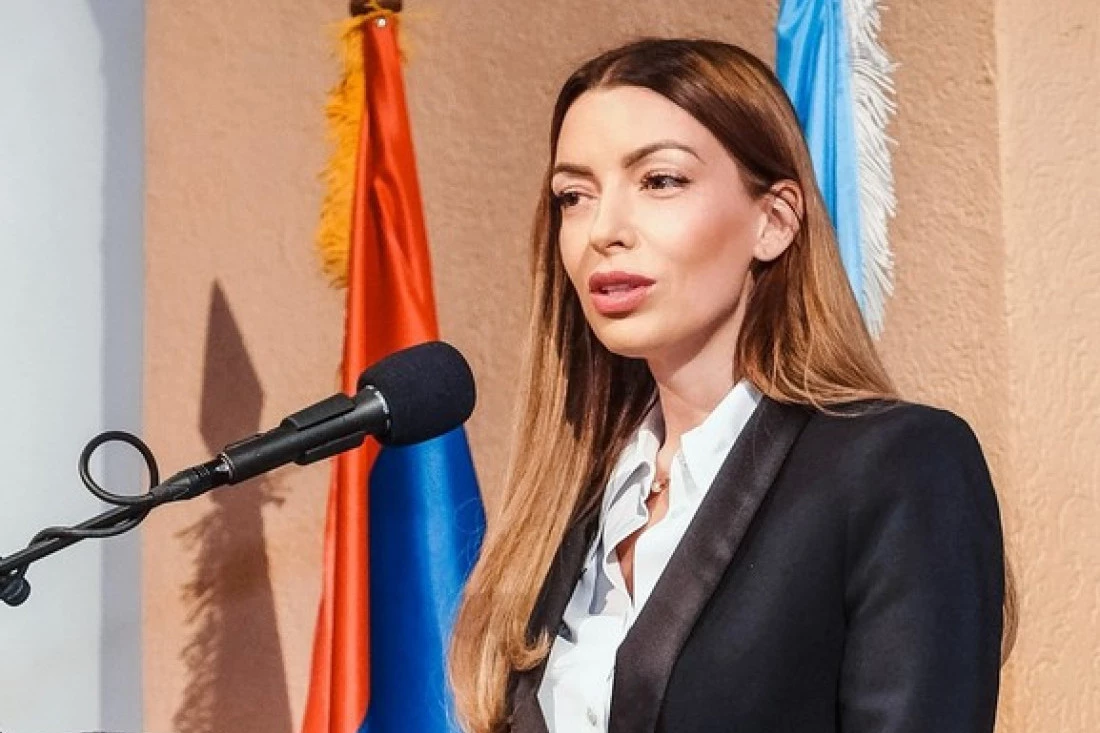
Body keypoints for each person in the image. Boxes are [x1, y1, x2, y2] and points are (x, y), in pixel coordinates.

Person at [449, 38, 1013, 733]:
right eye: (575, 195)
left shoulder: (898, 465)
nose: (604, 230)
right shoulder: (571, 506)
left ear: (773, 221)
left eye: (659, 180)